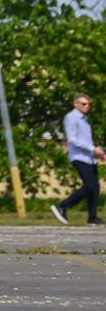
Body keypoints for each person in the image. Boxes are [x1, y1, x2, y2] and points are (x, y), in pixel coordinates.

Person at [54, 93, 96, 227]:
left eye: (88, 104)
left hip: (88, 158)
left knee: (94, 187)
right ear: (75, 104)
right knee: (90, 185)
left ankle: (92, 217)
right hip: (78, 157)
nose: (87, 106)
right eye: (84, 104)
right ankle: (62, 206)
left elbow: (85, 139)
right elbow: (72, 139)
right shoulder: (72, 117)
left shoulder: (84, 119)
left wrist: (96, 152)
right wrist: (92, 148)